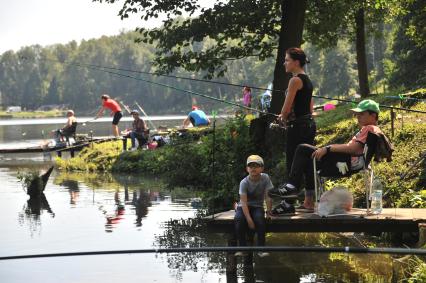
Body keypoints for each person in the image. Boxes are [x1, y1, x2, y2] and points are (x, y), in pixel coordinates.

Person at [269, 99, 383, 210]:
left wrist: (328, 148)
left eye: (361, 114)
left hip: (344, 163)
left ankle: (291, 187)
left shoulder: (369, 128)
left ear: (373, 115)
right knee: (309, 160)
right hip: (347, 162)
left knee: (302, 149)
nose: (357, 117)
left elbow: (354, 149)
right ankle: (305, 201)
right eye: (357, 114)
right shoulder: (372, 129)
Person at [272, 47, 316, 214]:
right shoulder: (307, 80)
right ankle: (309, 202)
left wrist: (281, 118)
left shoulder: (295, 80)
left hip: (298, 128)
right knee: (306, 164)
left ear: (296, 62)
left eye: (287, 60)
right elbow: (309, 108)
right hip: (309, 126)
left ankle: (288, 204)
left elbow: (285, 110)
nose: (284, 63)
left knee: (292, 164)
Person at [234, 155, 273, 258]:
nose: (253, 168)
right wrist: (249, 220)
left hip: (257, 206)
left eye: (256, 166)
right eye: (251, 166)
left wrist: (269, 212)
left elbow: (268, 196)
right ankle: (242, 249)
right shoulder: (244, 182)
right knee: (238, 219)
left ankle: (261, 249)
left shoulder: (265, 178)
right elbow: (244, 202)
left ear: (262, 168)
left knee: (260, 220)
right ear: (247, 169)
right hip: (244, 206)